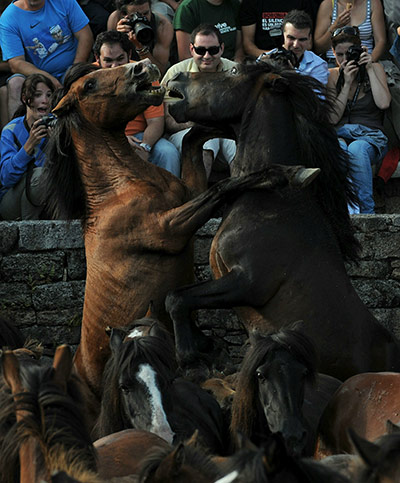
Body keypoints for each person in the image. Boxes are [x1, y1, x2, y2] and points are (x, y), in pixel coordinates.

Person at [93, 30, 180, 177]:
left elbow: (156, 122)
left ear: (129, 54)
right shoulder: (89, 81)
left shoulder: (144, 74)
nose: (115, 66)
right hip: (102, 139)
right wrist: (118, 139)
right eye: (108, 60)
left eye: (120, 59)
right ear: (97, 58)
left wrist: (145, 148)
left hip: (140, 138)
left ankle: (175, 198)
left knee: (168, 152)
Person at [327, 27, 391, 213]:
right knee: (341, 148)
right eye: (339, 55)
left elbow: (384, 103)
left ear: (361, 50)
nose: (345, 60)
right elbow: (332, 118)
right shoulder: (332, 75)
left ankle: (366, 214)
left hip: (371, 138)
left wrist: (369, 68)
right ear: (333, 53)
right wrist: (346, 83)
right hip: (341, 137)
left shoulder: (375, 68)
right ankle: (339, 212)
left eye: (350, 54)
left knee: (357, 148)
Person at [161, 24, 236, 179]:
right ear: (191, 49)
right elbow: (168, 120)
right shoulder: (176, 74)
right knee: (205, 142)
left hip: (227, 132)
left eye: (213, 50)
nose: (207, 56)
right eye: (201, 50)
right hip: (186, 132)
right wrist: (199, 124)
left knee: (240, 146)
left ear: (221, 48)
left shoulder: (235, 72)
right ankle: (198, 198)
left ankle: (243, 196)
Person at [0, 0, 93, 119]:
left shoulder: (64, 2)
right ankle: (20, 133)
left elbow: (85, 35)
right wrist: (49, 78)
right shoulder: (8, 19)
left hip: (73, 66)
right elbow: (16, 63)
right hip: (38, 76)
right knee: (15, 83)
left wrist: (75, 70)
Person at [0, 73, 54, 220]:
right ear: (25, 99)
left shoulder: (57, 125)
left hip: (46, 198)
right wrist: (28, 146)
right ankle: (29, 230)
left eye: (49, 95)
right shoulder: (10, 131)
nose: (45, 101)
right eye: (38, 95)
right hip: (12, 201)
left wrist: (55, 144)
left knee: (45, 177)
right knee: (40, 176)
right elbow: (6, 178)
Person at [258, 10, 329, 85]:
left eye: (302, 40)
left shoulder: (317, 65)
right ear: (282, 36)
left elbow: (316, 96)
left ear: (310, 38)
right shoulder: (265, 59)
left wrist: (292, 74)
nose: (296, 45)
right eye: (291, 38)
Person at [107, 0, 174, 75]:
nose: (141, 18)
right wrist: (118, 37)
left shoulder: (162, 25)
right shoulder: (115, 19)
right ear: (124, 14)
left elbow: (159, 72)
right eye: (134, 15)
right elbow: (109, 60)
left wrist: (140, 49)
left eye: (146, 13)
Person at [314, 0, 386, 67]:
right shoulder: (328, 4)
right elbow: (319, 48)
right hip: (334, 62)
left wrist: (370, 60)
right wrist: (335, 27)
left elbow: (381, 41)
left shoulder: (373, 3)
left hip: (363, 59)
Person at [239, 0, 314, 61]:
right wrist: (275, 57)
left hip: (298, 58)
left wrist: (289, 57)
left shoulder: (303, 2)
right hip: (263, 60)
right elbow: (248, 45)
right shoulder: (250, 3)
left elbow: (308, 43)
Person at [173, 0, 244, 62]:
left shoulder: (234, 4)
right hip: (202, 69)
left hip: (231, 67)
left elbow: (239, 47)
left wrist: (237, 65)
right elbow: (185, 57)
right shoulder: (188, 8)